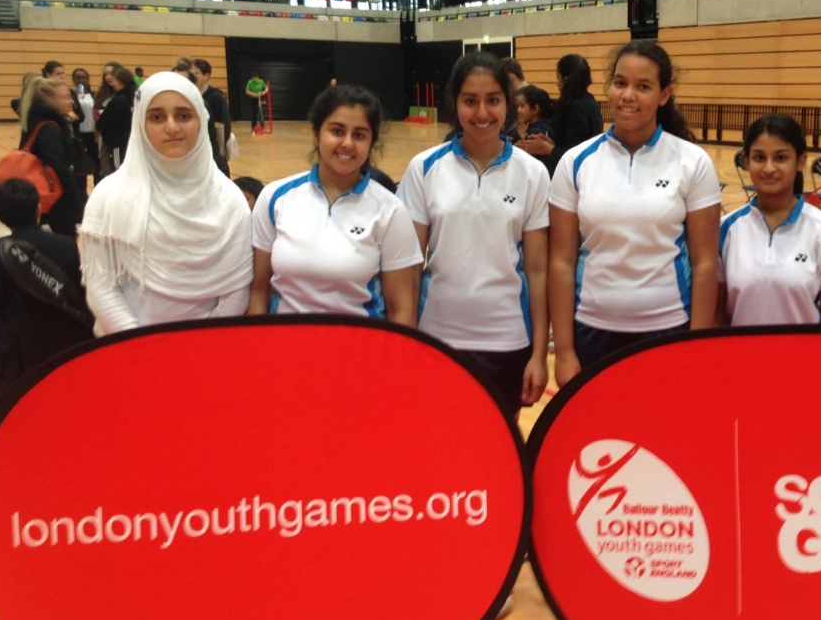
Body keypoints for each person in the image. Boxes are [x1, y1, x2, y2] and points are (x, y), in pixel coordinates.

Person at [548, 40, 721, 387]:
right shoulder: (575, 162)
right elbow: (561, 262)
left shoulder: (693, 162)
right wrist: (564, 351)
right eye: (620, 83)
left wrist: (696, 347)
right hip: (591, 331)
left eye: (643, 86)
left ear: (664, 94)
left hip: (668, 329)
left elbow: (705, 263)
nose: (628, 95)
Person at [398, 51, 551, 420]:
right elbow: (408, 268)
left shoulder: (533, 173)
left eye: (492, 100)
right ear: (455, 103)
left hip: (508, 341)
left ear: (508, 104)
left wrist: (538, 353)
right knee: (438, 442)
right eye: (470, 101)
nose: (482, 113)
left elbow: (537, 270)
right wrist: (405, 344)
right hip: (437, 338)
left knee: (499, 443)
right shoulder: (424, 168)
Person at [79, 72, 253, 337]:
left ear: (200, 119)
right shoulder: (108, 196)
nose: (172, 127)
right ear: (140, 123)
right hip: (127, 346)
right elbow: (101, 287)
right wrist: (141, 345)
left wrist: (200, 346)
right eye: (157, 117)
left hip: (206, 347)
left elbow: (236, 291)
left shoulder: (229, 199)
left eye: (183, 115)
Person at [249, 84, 419, 324]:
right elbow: (259, 292)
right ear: (316, 132)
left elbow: (401, 309)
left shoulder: (391, 210)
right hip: (285, 341)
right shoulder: (274, 198)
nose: (347, 143)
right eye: (337, 131)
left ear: (372, 142)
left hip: (359, 344)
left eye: (359, 135)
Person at [0, 179, 91, 418]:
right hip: (68, 338)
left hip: (21, 347)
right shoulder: (66, 244)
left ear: (1, 218)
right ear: (38, 208)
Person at [717, 114, 821, 326]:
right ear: (746, 161)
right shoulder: (725, 229)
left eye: (781, 158)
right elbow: (716, 315)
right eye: (759, 158)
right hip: (740, 348)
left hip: (804, 348)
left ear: (800, 161)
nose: (769, 168)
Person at [17, 75, 87, 236]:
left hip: (43, 196)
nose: (71, 102)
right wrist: (75, 201)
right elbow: (59, 166)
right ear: (49, 99)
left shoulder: (37, 120)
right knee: (64, 242)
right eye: (66, 97)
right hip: (56, 200)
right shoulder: (49, 127)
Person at [516, 53, 603, 175]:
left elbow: (577, 155)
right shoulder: (589, 101)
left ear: (566, 79)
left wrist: (548, 148)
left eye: (558, 77)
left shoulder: (575, 107)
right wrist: (552, 144)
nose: (556, 83)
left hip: (581, 174)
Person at [193, 58, 232, 176]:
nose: (192, 76)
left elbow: (225, 125)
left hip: (213, 151)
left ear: (206, 75)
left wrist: (218, 150)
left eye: (196, 73)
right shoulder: (189, 96)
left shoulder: (216, 97)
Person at [96, 62, 135, 173]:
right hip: (130, 141)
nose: (109, 78)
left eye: (112, 74)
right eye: (106, 74)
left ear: (119, 80)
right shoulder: (134, 95)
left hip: (118, 142)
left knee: (119, 172)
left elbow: (101, 123)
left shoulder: (119, 99)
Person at [72, 68, 100, 184]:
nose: (81, 80)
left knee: (97, 166)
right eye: (77, 78)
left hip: (93, 135)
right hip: (79, 136)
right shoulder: (72, 96)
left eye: (83, 77)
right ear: (73, 81)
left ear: (88, 79)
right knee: (81, 168)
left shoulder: (95, 95)